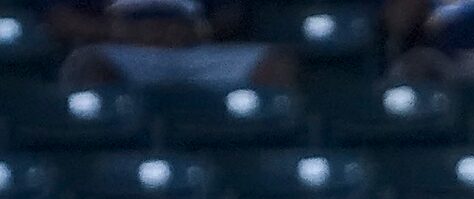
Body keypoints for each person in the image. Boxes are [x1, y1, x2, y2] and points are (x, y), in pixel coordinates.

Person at [53, 1, 294, 89]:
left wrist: (199, 30)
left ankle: (247, 160)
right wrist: (126, 32)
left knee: (277, 63)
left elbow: (231, 13)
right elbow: (61, 19)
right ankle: (109, 165)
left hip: (195, 48)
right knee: (87, 65)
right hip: (121, 51)